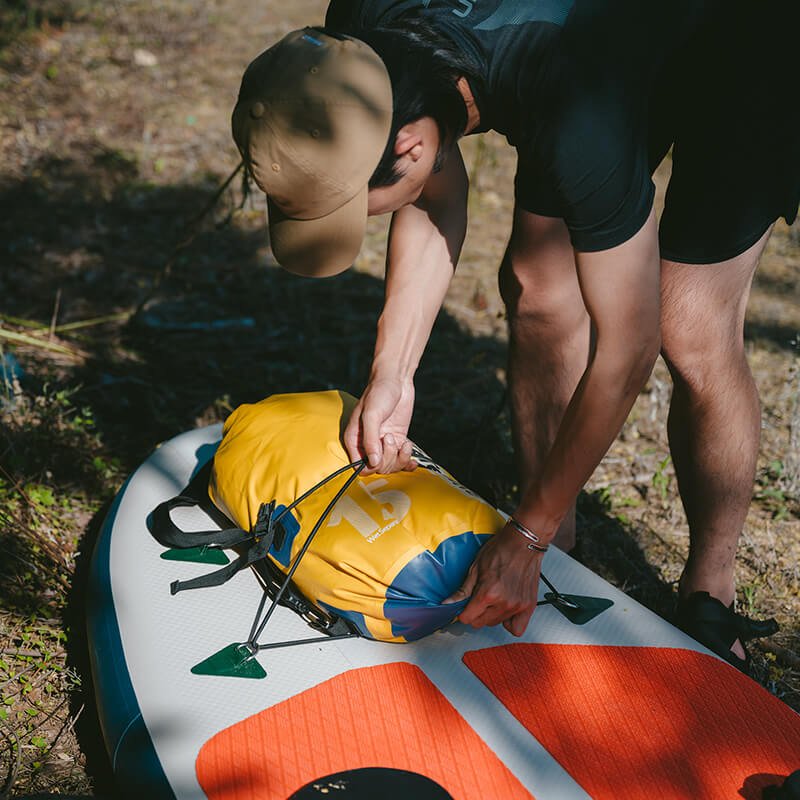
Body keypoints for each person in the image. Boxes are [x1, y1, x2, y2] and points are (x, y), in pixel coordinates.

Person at [231, 0, 797, 671]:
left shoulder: (571, 107)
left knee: (687, 323)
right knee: (538, 290)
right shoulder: (350, 47)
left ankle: (709, 588)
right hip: (605, 43)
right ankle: (563, 553)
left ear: (408, 144)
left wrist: (524, 534)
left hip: (745, 45)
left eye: (352, 206)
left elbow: (627, 350)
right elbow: (432, 187)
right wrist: (393, 372)